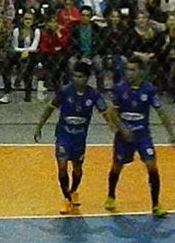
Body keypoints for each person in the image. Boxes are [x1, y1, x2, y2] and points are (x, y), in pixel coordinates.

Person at [34, 61, 120, 215]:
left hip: (79, 138)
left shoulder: (93, 95)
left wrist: (113, 128)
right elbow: (50, 108)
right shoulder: (65, 91)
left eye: (80, 76)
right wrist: (39, 126)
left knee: (78, 168)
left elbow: (105, 112)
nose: (76, 79)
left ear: (87, 78)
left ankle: (74, 191)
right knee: (61, 167)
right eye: (74, 76)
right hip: (63, 135)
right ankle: (66, 198)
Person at [105, 60, 175, 217]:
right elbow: (112, 113)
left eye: (133, 70)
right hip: (124, 136)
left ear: (141, 72)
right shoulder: (120, 89)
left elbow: (161, 112)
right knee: (117, 165)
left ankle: (156, 205)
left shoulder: (149, 90)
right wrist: (122, 129)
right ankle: (111, 195)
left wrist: (171, 135)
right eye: (127, 70)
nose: (129, 73)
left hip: (142, 135)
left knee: (152, 166)